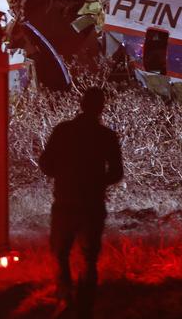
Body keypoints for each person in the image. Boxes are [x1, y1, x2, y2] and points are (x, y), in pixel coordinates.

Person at [39, 87, 123, 318]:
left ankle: (66, 299)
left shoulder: (63, 131)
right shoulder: (106, 136)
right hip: (93, 206)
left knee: (60, 253)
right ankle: (85, 308)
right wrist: (96, 183)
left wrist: (64, 176)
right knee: (89, 258)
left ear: (81, 104)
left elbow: (45, 163)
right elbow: (116, 172)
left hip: (65, 203)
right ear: (100, 108)